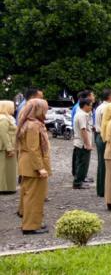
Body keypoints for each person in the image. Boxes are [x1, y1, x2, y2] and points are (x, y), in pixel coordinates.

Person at [17, 99, 50, 235]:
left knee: (29, 195)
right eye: (45, 108)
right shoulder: (34, 126)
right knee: (33, 196)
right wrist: (40, 167)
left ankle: (32, 222)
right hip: (33, 165)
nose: (47, 111)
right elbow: (33, 149)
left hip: (27, 163)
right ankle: (30, 226)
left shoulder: (28, 124)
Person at [95, 89, 111, 197]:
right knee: (105, 164)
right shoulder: (108, 108)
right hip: (104, 136)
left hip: (99, 135)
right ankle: (104, 189)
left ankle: (101, 189)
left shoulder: (99, 107)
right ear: (110, 96)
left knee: (101, 163)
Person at [71, 98, 94, 189]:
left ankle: (79, 181)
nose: (91, 107)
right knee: (83, 164)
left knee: (80, 163)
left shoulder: (81, 114)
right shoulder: (82, 115)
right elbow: (83, 130)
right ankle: (78, 182)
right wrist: (88, 144)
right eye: (90, 105)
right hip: (82, 143)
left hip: (79, 142)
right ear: (85, 105)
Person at [0, 101, 17, 194]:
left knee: (8, 169)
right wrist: (9, 148)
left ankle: (8, 187)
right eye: (12, 107)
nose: (14, 108)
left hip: (8, 146)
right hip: (5, 147)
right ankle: (4, 188)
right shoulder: (3, 119)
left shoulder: (7, 118)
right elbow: (4, 135)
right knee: (3, 169)